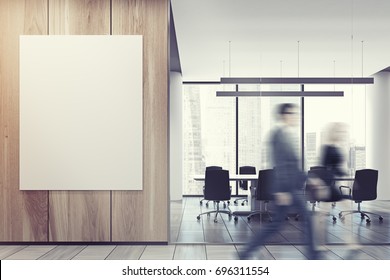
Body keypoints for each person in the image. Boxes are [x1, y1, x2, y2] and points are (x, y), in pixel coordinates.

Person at [241, 103, 318, 260]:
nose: (296, 117)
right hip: (286, 188)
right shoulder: (278, 135)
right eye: (293, 114)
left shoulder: (286, 135)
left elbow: (293, 166)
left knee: (276, 225)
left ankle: (246, 252)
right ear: (285, 115)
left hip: (291, 187)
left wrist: (310, 178)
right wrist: (282, 190)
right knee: (283, 223)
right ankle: (313, 255)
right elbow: (280, 164)